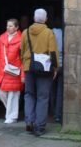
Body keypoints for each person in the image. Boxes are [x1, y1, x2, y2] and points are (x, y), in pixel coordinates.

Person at [20, 8, 59, 137]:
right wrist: (55, 68)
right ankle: (39, 127)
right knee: (43, 97)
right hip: (44, 68)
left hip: (28, 67)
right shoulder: (49, 33)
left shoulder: (25, 32)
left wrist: (25, 63)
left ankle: (29, 121)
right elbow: (53, 52)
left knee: (29, 94)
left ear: (34, 18)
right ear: (46, 19)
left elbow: (22, 50)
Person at [49, 17, 64, 123]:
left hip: (51, 65)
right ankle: (58, 115)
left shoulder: (50, 33)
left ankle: (53, 112)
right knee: (60, 91)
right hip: (62, 65)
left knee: (51, 90)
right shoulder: (64, 33)